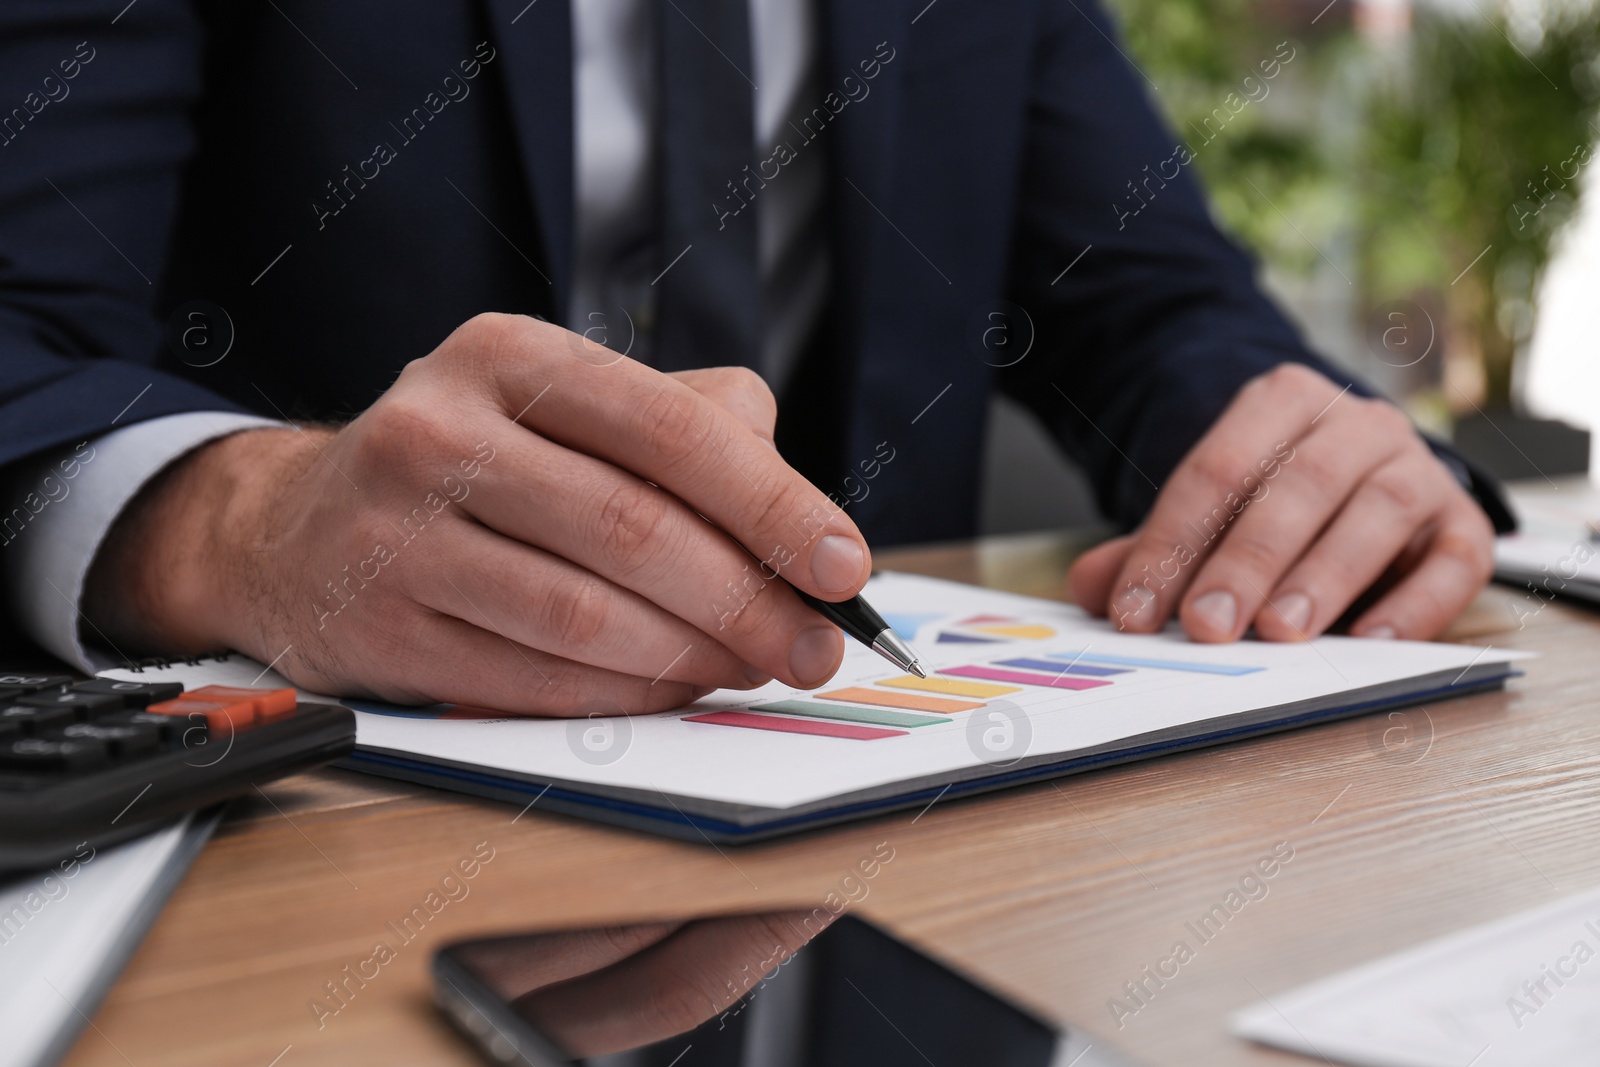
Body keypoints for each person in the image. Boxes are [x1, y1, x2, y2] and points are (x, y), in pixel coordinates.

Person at [0, 0, 1508, 716]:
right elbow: (23, 323)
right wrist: (246, 527)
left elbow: (1148, 305)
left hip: (874, 865)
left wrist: (1292, 457)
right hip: (298, 848)